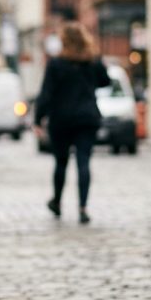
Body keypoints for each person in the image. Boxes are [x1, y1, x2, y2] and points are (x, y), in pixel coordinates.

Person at [32, 22, 110, 225]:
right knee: (84, 162)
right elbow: (106, 81)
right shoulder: (92, 61)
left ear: (64, 41)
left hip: (62, 119)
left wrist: (38, 119)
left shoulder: (56, 64)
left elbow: (46, 93)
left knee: (61, 162)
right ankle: (83, 208)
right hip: (87, 118)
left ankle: (57, 202)